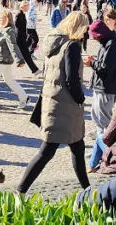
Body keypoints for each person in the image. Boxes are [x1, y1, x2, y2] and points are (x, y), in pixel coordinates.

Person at [18, 11, 90, 194]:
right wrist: (81, 99)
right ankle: (21, 190)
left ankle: (87, 189)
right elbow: (71, 79)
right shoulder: (72, 46)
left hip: (53, 101)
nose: (85, 33)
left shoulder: (54, 43)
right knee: (47, 151)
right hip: (65, 105)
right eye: (85, 29)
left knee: (77, 147)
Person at [86, 11, 116, 170]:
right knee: (99, 123)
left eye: (95, 36)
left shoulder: (113, 44)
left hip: (106, 87)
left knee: (104, 125)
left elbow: (106, 68)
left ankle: (114, 157)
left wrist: (91, 64)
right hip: (101, 86)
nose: (94, 39)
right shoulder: (108, 42)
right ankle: (94, 162)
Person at [14, 1, 39, 75]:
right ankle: (34, 70)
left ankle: (35, 70)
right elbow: (16, 26)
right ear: (23, 6)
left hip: (22, 37)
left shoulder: (23, 14)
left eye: (28, 6)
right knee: (24, 54)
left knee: (26, 54)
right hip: (19, 38)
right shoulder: (19, 14)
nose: (28, 7)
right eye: (26, 6)